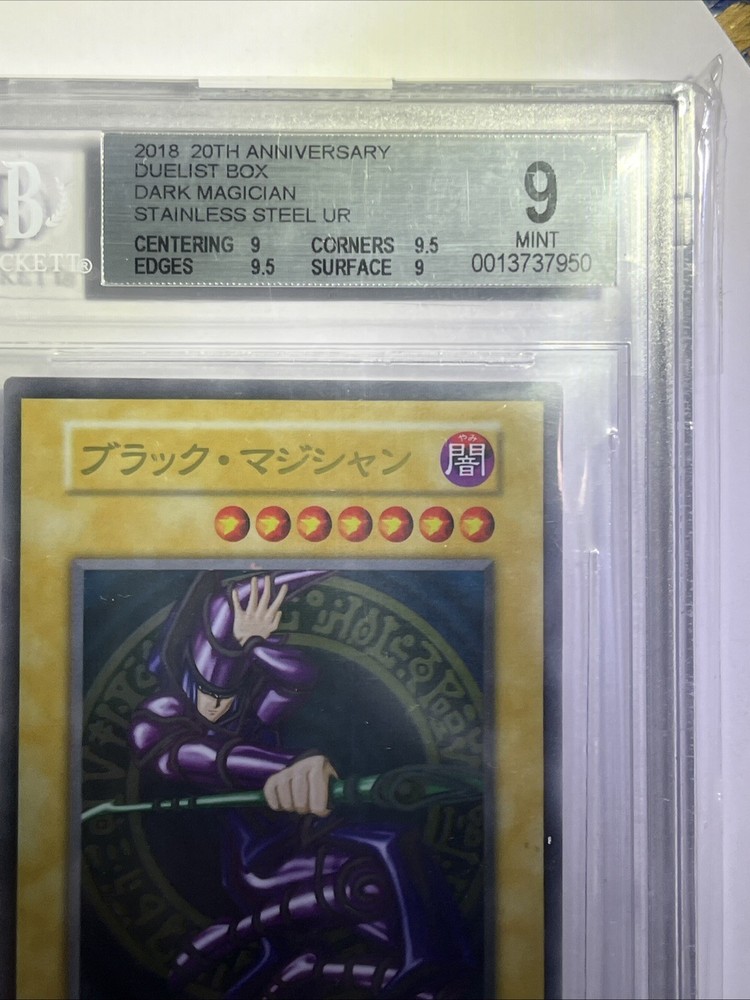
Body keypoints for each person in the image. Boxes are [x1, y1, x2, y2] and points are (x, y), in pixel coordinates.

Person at [129, 570, 475, 999]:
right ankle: (409, 969)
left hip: (304, 840)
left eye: (227, 694)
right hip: (261, 864)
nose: (218, 707)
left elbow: (298, 678)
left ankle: (398, 969)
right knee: (376, 871)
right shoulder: (158, 723)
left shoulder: (247, 713)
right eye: (207, 692)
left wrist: (255, 644)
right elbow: (199, 757)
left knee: (393, 861)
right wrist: (283, 766)